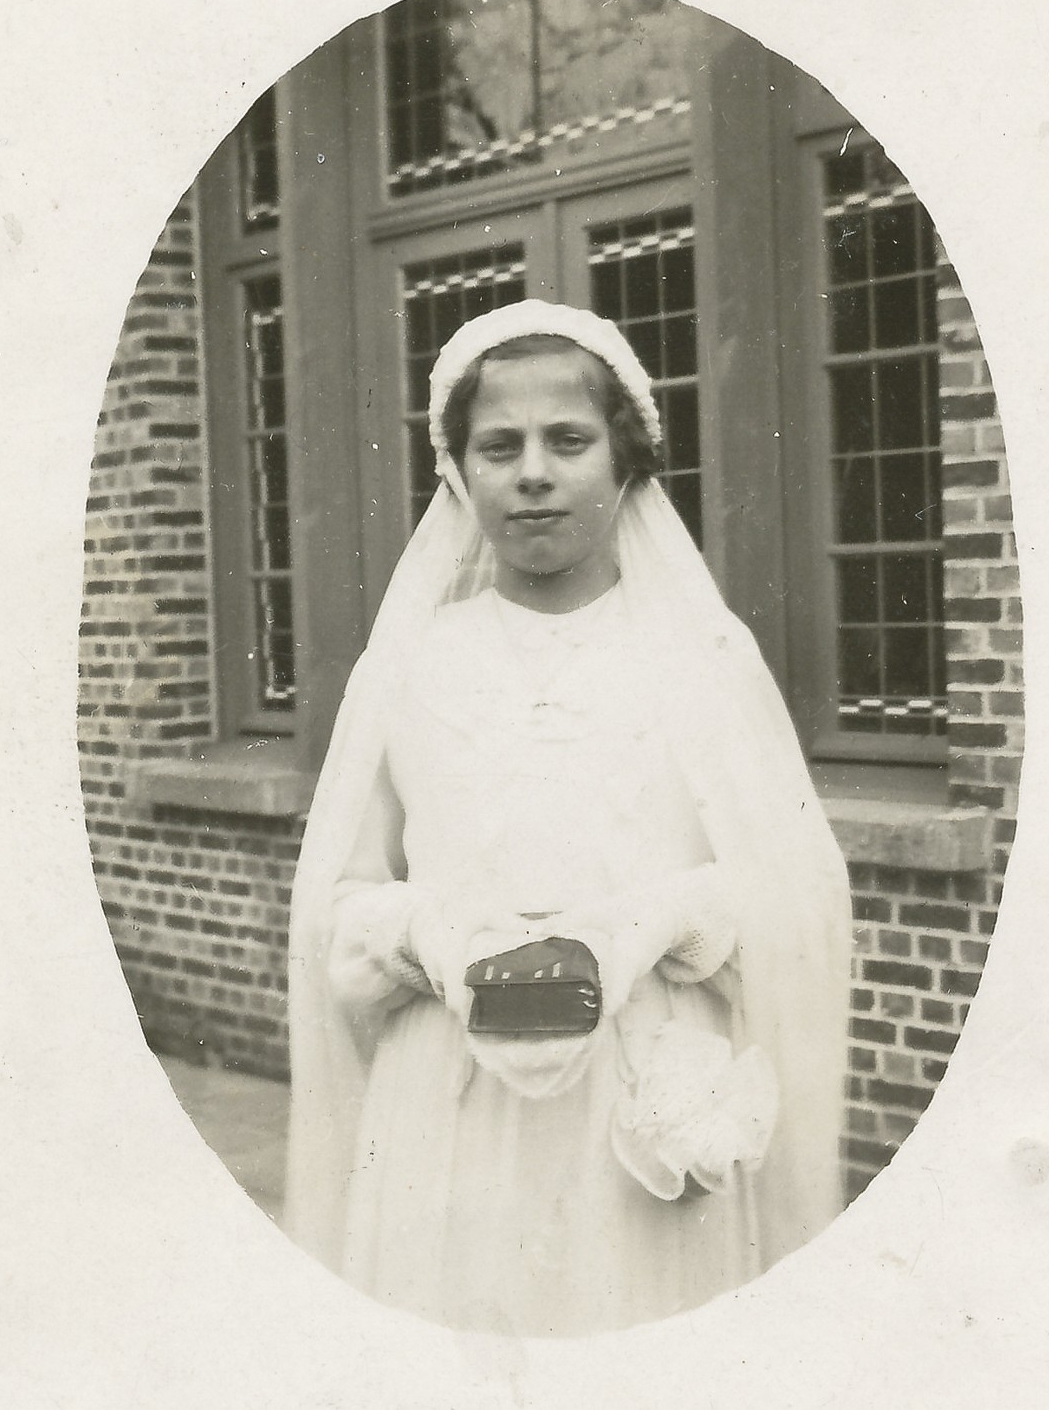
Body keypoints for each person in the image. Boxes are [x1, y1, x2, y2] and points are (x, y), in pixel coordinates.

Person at [283, 299, 851, 1337]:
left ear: (625, 463)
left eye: (569, 441)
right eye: (499, 446)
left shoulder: (703, 659)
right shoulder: (409, 665)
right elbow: (341, 904)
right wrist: (432, 936)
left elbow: (795, 902)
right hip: (446, 1105)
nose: (533, 473)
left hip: (643, 1100)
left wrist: (657, 920)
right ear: (459, 471)